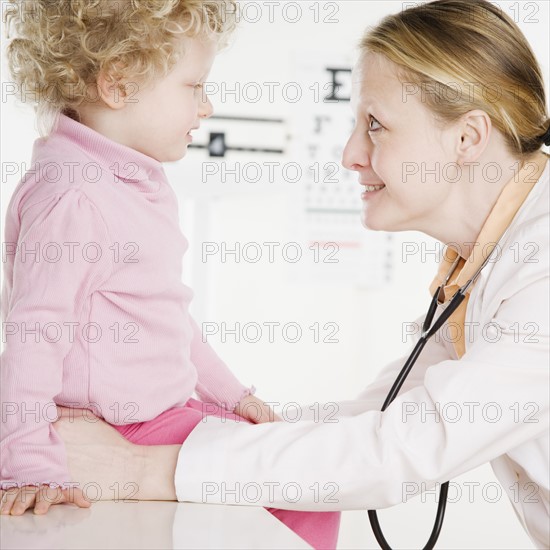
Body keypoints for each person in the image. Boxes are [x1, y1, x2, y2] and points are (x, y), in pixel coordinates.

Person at [5, 0, 550, 548]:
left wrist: (142, 467)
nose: (349, 155)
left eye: (376, 125)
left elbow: (399, 448)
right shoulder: (486, 270)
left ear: (467, 138)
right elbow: (381, 418)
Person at [0, 1, 341, 548]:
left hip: (159, 410)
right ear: (118, 85)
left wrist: (234, 396)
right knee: (299, 478)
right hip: (117, 425)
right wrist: (30, 460)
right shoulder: (76, 195)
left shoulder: (127, 181)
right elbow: (33, 335)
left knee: (299, 468)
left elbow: (167, 315)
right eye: (193, 85)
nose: (206, 106)